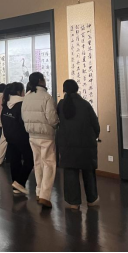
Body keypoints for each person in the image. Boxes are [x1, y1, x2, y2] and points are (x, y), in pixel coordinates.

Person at [58, 80, 101, 210]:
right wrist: (93, 136)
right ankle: (92, 199)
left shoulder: (61, 105)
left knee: (70, 172)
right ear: (77, 89)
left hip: (67, 144)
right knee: (88, 172)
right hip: (86, 144)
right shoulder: (85, 104)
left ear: (64, 90)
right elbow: (95, 124)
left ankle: (74, 202)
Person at [22, 72, 60, 209]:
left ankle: (38, 192)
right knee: (49, 163)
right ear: (40, 80)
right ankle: (45, 195)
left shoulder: (27, 97)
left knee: (37, 163)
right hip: (46, 135)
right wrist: (56, 125)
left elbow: (23, 115)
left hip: (32, 135)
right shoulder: (47, 97)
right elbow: (52, 118)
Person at [1, 83, 34, 196]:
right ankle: (20, 182)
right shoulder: (22, 104)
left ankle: (16, 185)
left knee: (15, 160)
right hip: (22, 137)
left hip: (10, 137)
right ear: (19, 92)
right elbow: (24, 121)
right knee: (30, 160)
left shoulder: (6, 104)